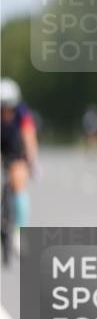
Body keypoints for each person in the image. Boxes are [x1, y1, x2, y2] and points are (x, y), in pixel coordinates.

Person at [1, 78, 38, 260]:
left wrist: (32, 162)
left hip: (16, 150)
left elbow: (29, 137)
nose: (6, 111)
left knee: (18, 181)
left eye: (9, 107)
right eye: (2, 107)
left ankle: (19, 231)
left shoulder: (23, 113)